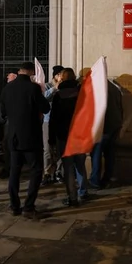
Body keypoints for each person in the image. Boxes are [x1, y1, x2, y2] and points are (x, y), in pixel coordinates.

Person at [0, 62, 51, 219]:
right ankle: (28, 207)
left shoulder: (7, 88)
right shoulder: (33, 88)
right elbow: (46, 108)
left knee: (15, 171)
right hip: (30, 137)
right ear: (31, 73)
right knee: (36, 170)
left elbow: (3, 112)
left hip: (13, 137)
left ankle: (14, 206)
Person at [48, 68, 83, 207]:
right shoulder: (81, 93)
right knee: (81, 164)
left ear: (61, 79)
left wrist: (51, 139)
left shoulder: (59, 95)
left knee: (68, 167)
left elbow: (53, 119)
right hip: (80, 134)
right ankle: (84, 191)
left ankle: (72, 197)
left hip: (63, 135)